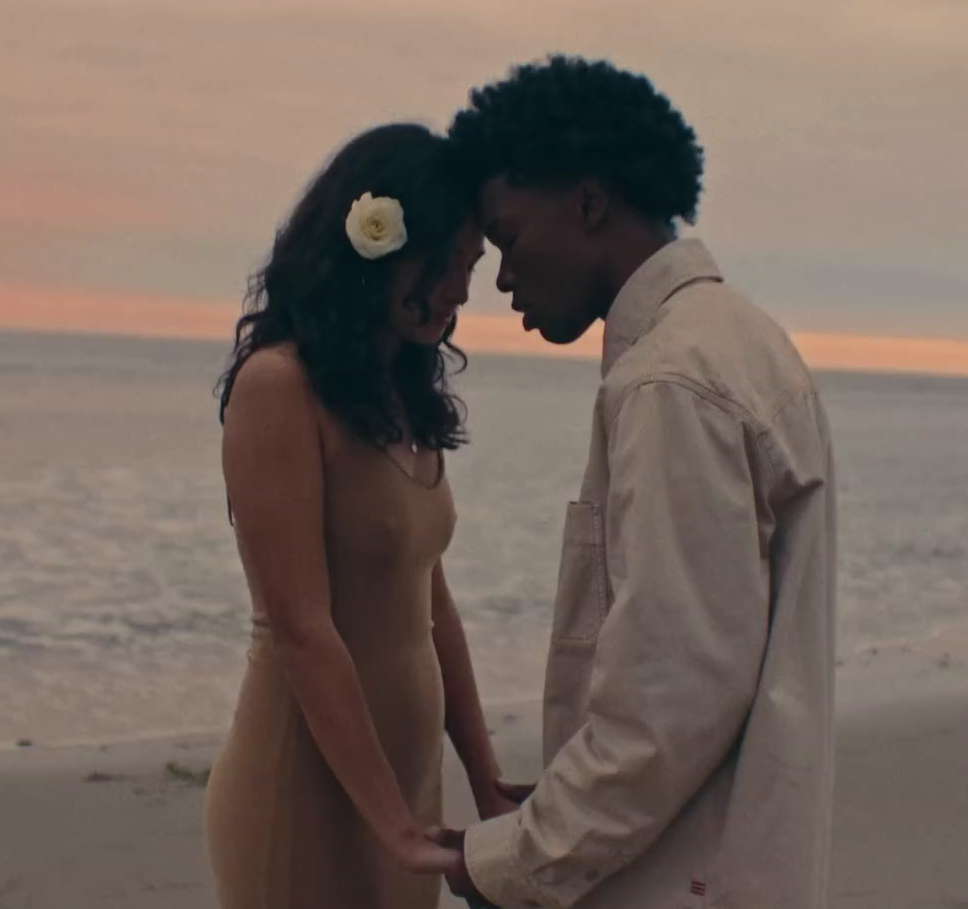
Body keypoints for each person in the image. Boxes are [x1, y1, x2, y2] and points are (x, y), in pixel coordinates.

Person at [433, 57, 838, 908]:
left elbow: (671, 699)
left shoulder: (670, 380)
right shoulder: (743, 341)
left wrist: (511, 863)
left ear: (588, 201)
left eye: (508, 237)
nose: (501, 279)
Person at [206, 123, 512, 908]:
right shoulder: (278, 387)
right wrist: (393, 828)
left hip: (405, 785)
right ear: (374, 247)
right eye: (445, 263)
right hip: (306, 786)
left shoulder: (403, 397)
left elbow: (432, 610)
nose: (459, 289)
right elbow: (302, 626)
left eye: (471, 265)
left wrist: (484, 782)